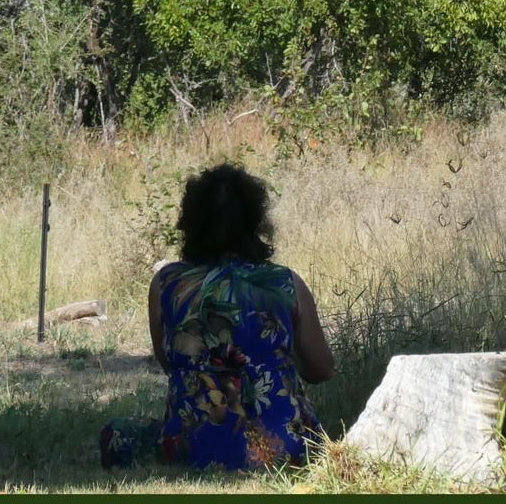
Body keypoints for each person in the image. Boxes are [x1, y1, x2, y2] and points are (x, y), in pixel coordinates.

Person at [100, 163, 336, 471]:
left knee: (115, 432)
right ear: (256, 222)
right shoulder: (285, 284)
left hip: (190, 447)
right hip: (283, 447)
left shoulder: (168, 284)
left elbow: (170, 363)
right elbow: (322, 370)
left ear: (191, 223)